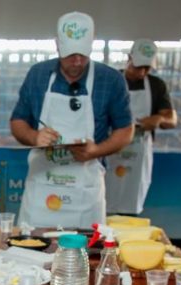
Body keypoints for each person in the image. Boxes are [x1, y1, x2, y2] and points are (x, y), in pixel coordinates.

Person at [10, 12, 133, 228]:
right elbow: (17, 122)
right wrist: (34, 136)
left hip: (85, 192)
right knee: (31, 250)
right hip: (42, 190)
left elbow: (125, 130)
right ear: (57, 45)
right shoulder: (38, 75)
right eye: (70, 55)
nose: (77, 61)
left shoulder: (111, 80)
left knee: (87, 253)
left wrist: (95, 151)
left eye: (83, 54)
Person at [105, 39, 177, 215]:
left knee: (132, 200)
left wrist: (158, 119)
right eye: (138, 66)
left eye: (147, 68)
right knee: (105, 199)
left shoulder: (156, 85)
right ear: (129, 58)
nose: (142, 72)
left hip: (138, 153)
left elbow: (172, 119)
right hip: (110, 149)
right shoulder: (111, 81)